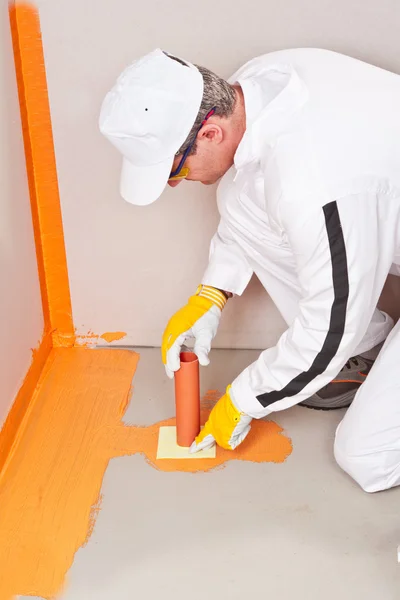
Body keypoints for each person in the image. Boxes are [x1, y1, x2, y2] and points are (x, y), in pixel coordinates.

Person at [99, 47, 400, 493]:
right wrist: (212, 295)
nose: (176, 182)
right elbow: (249, 204)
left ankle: (348, 357)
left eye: (175, 168)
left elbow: (328, 330)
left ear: (211, 132)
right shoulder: (254, 87)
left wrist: (245, 399)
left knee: (365, 456)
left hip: (349, 197)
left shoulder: (314, 178)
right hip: (371, 203)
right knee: (239, 191)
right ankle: (369, 350)